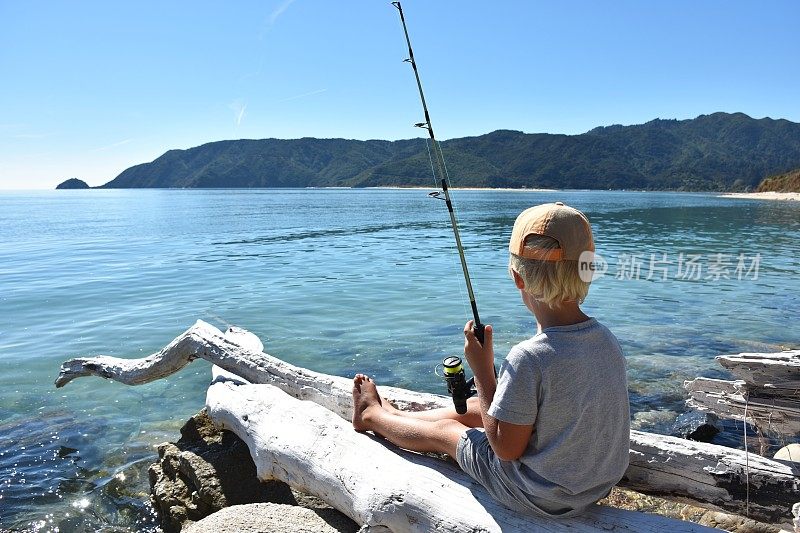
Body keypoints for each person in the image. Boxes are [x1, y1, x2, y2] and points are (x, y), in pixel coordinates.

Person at [351, 202, 630, 517]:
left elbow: (505, 449)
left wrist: (483, 371)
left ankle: (372, 416)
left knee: (446, 432)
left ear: (517, 277)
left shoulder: (529, 356)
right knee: (477, 408)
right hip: (595, 486)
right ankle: (398, 417)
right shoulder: (606, 339)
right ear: (588, 270)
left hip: (539, 494)